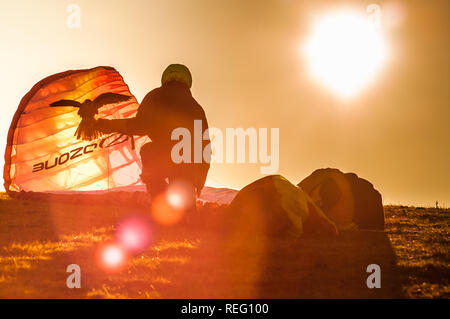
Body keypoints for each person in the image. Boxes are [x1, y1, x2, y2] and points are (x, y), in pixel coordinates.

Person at [94, 64, 210, 201]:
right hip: (188, 164)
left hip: (163, 156)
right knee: (185, 202)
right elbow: (204, 148)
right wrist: (199, 182)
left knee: (148, 151)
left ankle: (160, 198)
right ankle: (185, 213)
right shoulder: (196, 107)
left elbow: (140, 125)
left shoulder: (155, 96)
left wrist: (105, 125)